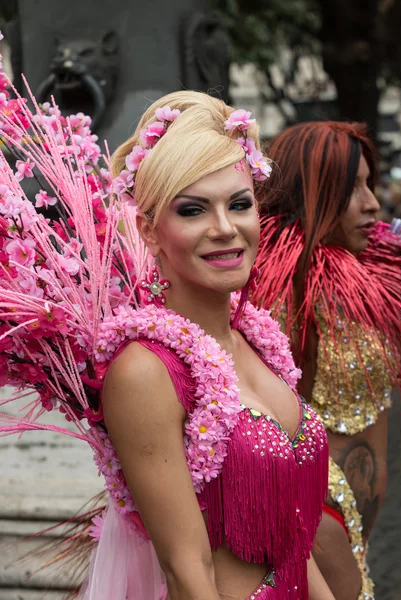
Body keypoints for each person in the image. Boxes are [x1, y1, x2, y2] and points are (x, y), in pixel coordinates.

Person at [0, 57, 333, 599]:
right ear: (152, 232)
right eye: (194, 210)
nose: (225, 229)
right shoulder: (145, 372)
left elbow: (297, 542)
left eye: (240, 204)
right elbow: (187, 571)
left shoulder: (261, 343)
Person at [251, 121, 401, 600]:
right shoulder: (281, 286)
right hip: (316, 525)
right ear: (310, 195)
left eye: (370, 183)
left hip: (357, 530)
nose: (372, 203)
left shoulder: (368, 276)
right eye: (352, 189)